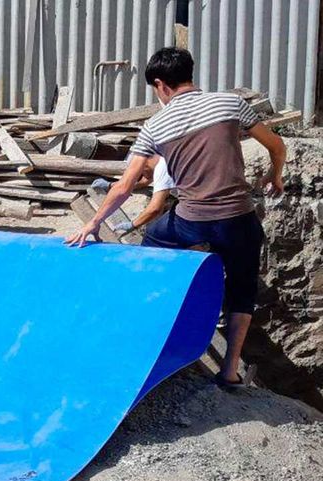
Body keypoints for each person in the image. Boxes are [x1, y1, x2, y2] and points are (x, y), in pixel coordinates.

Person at [66, 47, 287, 389]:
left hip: (191, 219)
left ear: (160, 85)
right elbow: (276, 145)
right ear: (189, 73)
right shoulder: (229, 103)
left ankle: (149, 327)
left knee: (155, 238)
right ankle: (229, 372)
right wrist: (275, 176)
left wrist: (93, 223)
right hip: (238, 217)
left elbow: (125, 185)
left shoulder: (155, 126)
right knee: (242, 288)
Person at [92, 156, 177, 235]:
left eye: (140, 173)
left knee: (154, 236)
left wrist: (133, 225)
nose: (141, 176)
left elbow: (155, 208)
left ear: (145, 164)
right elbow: (143, 181)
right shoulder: (155, 161)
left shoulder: (163, 168)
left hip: (184, 204)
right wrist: (110, 185)